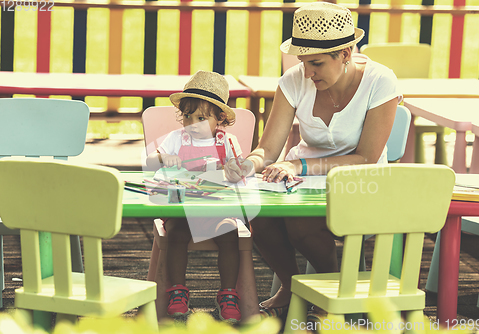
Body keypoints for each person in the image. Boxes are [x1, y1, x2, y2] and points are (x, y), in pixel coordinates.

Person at [224, 1, 402, 320]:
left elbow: (366, 157)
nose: (307, 72)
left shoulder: (380, 81)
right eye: (303, 61)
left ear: (345, 54)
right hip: (301, 182)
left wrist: (299, 166)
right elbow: (268, 149)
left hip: (360, 185)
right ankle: (296, 285)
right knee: (258, 212)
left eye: (316, 63)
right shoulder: (294, 80)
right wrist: (247, 165)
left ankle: (327, 288)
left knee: (300, 220)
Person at [146, 70, 243, 323]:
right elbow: (148, 162)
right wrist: (162, 158)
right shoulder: (176, 139)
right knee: (176, 234)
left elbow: (239, 173)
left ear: (219, 118)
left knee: (231, 234)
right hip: (183, 212)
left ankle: (228, 293)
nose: (192, 124)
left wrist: (231, 170)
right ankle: (177, 291)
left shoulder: (227, 143)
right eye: (187, 116)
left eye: (201, 118)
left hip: (218, 211)